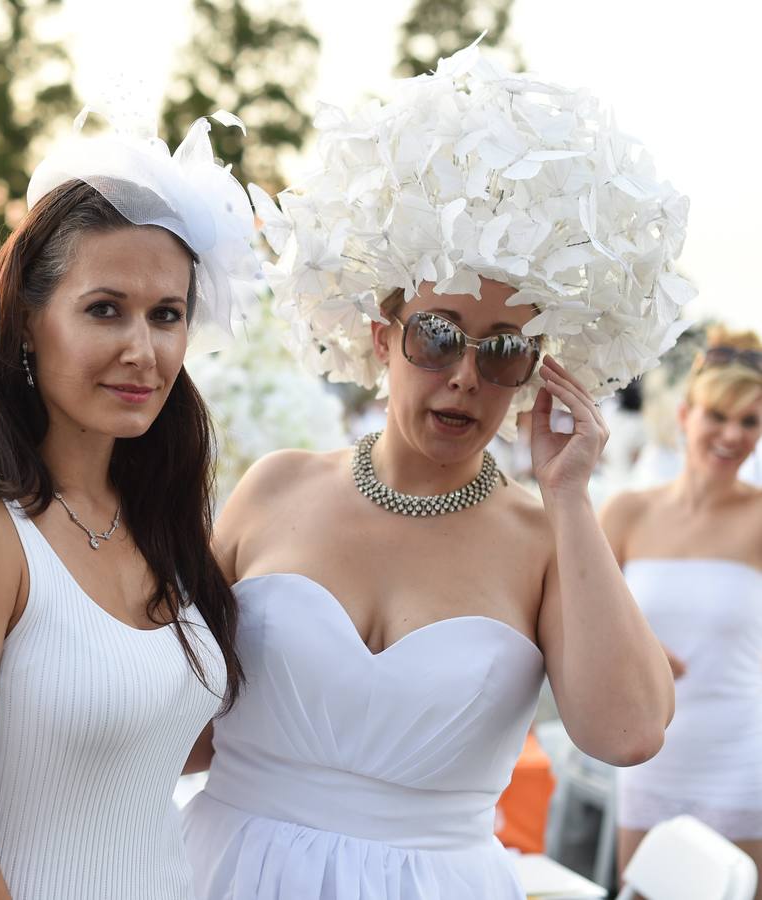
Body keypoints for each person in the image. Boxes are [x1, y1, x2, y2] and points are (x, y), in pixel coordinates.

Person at [183, 45, 685, 899]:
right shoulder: (273, 489)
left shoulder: (541, 538)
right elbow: (177, 724)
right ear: (383, 339)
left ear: (536, 375)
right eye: (438, 334)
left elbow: (629, 731)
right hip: (223, 869)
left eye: (502, 354)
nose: (463, 376)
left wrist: (568, 498)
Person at [0, 109, 260, 899]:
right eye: (104, 309)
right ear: (27, 322)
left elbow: (149, 748)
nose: (142, 351)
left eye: (166, 315)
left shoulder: (158, 520)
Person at [605, 329, 762, 895]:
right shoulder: (627, 513)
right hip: (653, 753)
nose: (732, 435)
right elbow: (571, 611)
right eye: (719, 414)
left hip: (741, 754)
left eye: (750, 422)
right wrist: (631, 646)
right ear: (685, 413)